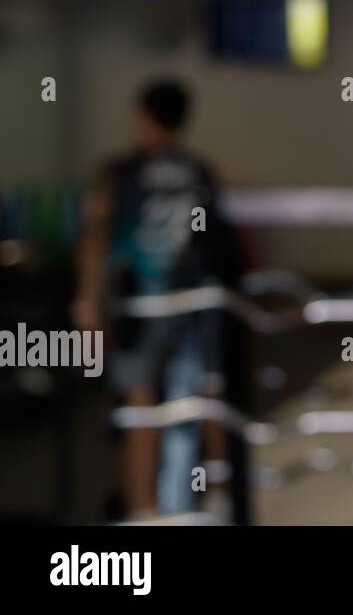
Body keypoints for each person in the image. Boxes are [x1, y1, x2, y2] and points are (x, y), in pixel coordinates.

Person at [73, 79, 238, 520]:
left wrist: (87, 301)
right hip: (195, 300)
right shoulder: (200, 170)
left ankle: (144, 510)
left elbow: (96, 237)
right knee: (206, 398)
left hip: (140, 305)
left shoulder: (119, 172)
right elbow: (217, 242)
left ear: (144, 115)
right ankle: (220, 498)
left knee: (140, 403)